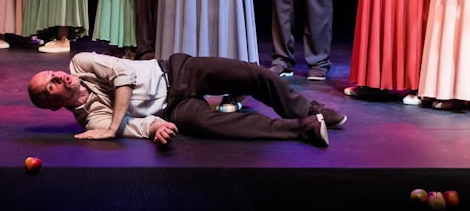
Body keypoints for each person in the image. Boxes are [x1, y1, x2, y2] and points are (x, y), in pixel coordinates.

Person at [27, 52, 345, 146]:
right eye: (51, 86)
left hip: (177, 72)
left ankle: (306, 107)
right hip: (173, 109)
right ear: (54, 105)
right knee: (211, 124)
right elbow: (133, 126)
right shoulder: (88, 120)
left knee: (250, 73)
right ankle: (302, 127)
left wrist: (112, 127)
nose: (58, 77)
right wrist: (154, 129)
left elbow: (122, 76)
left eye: (53, 74)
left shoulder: (80, 62)